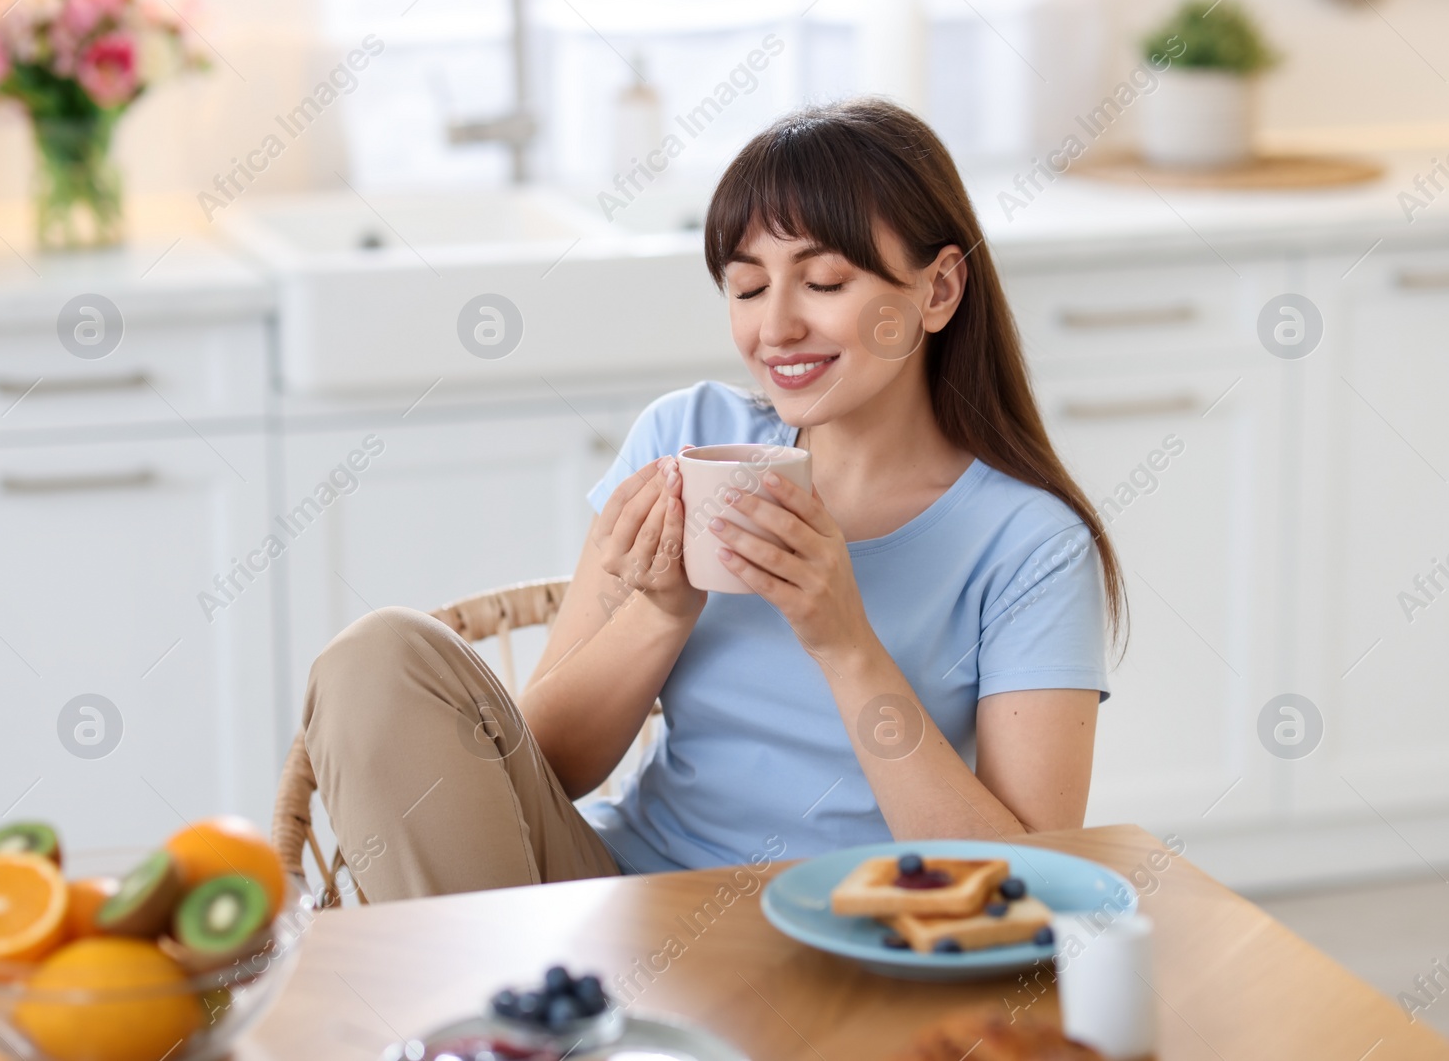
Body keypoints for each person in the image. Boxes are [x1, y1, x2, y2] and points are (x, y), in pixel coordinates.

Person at [301, 97, 1124, 901]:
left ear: (939, 290)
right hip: (618, 901)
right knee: (376, 658)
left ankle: (520, 1029)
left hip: (853, 941)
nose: (777, 328)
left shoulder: (1030, 544)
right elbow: (540, 764)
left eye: (824, 281)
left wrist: (843, 642)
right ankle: (520, 1028)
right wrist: (660, 609)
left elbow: (1030, 885)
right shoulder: (686, 437)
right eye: (747, 287)